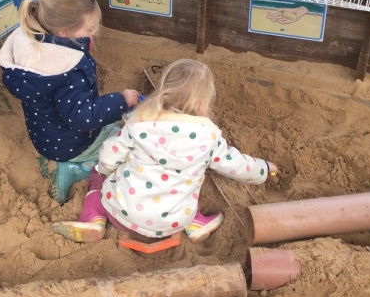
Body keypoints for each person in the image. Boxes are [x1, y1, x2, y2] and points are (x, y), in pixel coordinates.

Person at [50, 59, 278, 244]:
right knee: (188, 184)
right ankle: (195, 223)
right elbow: (235, 165)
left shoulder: (139, 123)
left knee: (97, 178)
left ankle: (93, 217)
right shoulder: (209, 138)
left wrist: (104, 169)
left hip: (122, 214)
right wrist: (263, 169)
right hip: (174, 222)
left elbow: (110, 153)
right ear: (203, 104)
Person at [0, 0, 140, 204]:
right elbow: (83, 118)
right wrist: (120, 100)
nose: (93, 34)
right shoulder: (69, 70)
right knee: (127, 142)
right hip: (73, 144)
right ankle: (75, 168)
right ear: (64, 32)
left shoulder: (34, 48)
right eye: (89, 29)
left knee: (112, 121)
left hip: (46, 138)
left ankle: (53, 160)